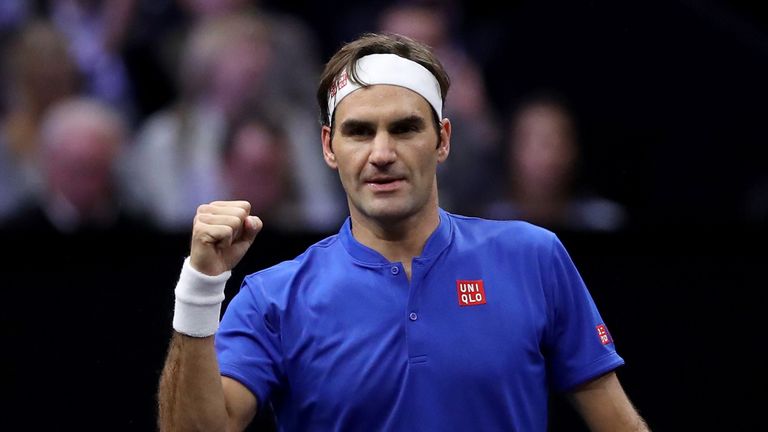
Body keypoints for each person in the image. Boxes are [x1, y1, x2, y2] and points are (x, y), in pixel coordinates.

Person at [158, 33, 650, 431]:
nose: (381, 153)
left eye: (405, 128)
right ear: (330, 148)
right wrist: (200, 287)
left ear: (443, 139)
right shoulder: (274, 298)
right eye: (359, 131)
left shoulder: (532, 257)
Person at [484, 92, 628, 232]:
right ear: (510, 150)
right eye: (535, 142)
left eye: (558, 140)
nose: (547, 155)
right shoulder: (484, 226)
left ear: (575, 150)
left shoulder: (603, 221)